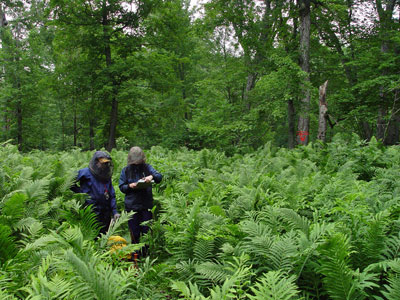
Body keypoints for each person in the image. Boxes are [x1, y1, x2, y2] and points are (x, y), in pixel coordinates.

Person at [119, 146, 162, 255]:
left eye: (138, 161)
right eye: (135, 161)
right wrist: (130, 186)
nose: (137, 163)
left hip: (146, 205)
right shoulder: (126, 170)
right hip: (131, 206)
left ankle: (146, 254)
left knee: (146, 231)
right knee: (134, 232)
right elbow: (122, 187)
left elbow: (159, 177)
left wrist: (151, 177)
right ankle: (135, 256)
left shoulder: (147, 168)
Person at [72, 151, 120, 235]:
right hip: (91, 211)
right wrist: (80, 192)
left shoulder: (106, 175)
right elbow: (69, 181)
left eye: (106, 163)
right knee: (92, 236)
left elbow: (111, 194)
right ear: (96, 162)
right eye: (103, 163)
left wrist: (115, 211)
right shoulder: (85, 173)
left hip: (105, 212)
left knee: (104, 236)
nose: (105, 166)